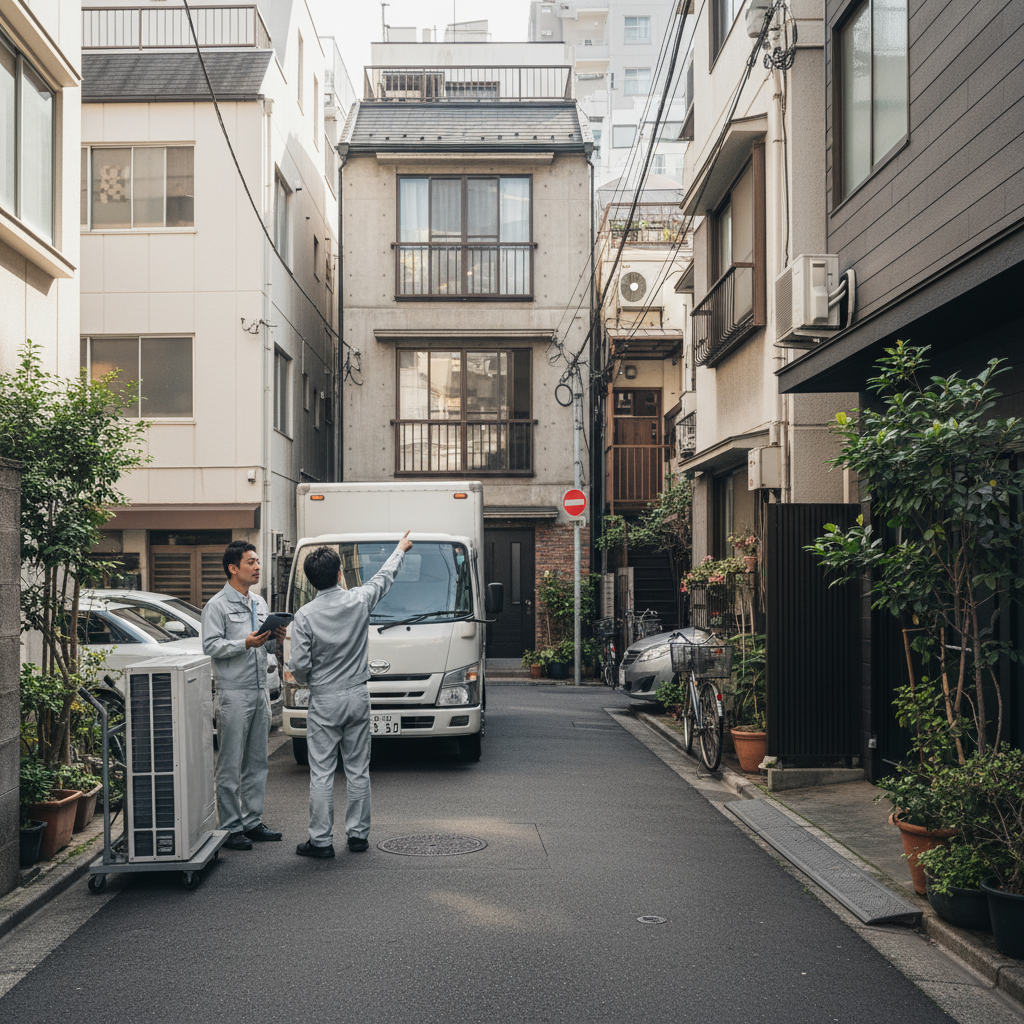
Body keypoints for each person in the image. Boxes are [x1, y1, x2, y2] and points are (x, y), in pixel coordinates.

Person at [290, 531, 413, 858]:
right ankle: (358, 836)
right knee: (358, 769)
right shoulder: (359, 600)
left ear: (311, 581)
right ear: (340, 573)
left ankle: (321, 841)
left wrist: (311, 680)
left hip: (324, 698)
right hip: (358, 695)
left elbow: (298, 665)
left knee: (322, 772)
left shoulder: (304, 616)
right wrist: (400, 549)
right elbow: (384, 578)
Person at [201, 541, 287, 851]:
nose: (257, 566)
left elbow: (265, 647)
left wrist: (275, 638)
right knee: (230, 763)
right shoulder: (216, 606)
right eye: (250, 562)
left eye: (257, 561)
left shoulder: (260, 603)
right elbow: (210, 646)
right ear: (233, 568)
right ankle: (230, 826)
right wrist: (244, 644)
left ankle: (252, 821)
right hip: (233, 693)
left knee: (257, 762)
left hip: (260, 691)